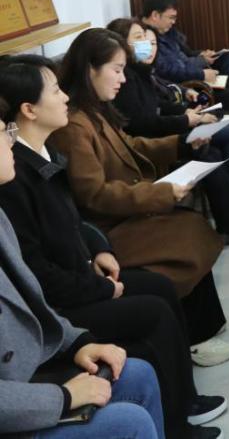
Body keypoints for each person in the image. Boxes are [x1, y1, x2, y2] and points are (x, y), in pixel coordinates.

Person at [0, 56, 226, 437]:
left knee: (159, 289)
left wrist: (99, 249)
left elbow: (73, 219)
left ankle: (183, 403)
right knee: (152, 311)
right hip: (64, 299)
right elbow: (39, 279)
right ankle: (176, 420)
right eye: (55, 91)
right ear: (29, 109)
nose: (65, 97)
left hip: (78, 276)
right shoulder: (17, 180)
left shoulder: (42, 154)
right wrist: (100, 289)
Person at [0, 105, 166, 439]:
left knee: (137, 374)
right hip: (15, 398)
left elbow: (30, 303)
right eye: (3, 133)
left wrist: (76, 343)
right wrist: (62, 397)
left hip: (24, 373)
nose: (10, 141)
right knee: (129, 423)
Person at [107, 18, 229, 206]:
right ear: (121, 44)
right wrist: (186, 119)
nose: (147, 45)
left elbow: (158, 103)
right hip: (161, 135)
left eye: (150, 41)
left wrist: (186, 110)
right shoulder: (126, 80)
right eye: (139, 38)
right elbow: (144, 122)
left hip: (173, 118)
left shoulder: (141, 70)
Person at [141, 0, 229, 118]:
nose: (173, 22)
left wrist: (202, 55)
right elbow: (167, 70)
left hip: (190, 69)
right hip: (182, 82)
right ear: (155, 15)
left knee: (226, 59)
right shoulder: (144, 38)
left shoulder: (167, 31)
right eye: (171, 17)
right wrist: (202, 72)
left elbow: (187, 53)